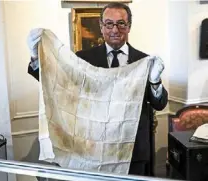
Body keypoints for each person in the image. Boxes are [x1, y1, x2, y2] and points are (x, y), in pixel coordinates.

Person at [27, 2, 168, 177]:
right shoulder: (82, 60)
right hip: (92, 152)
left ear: (129, 26)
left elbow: (160, 104)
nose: (115, 30)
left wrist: (155, 82)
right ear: (101, 27)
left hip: (133, 152)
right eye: (109, 24)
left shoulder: (144, 61)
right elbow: (57, 83)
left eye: (121, 23)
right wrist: (36, 56)